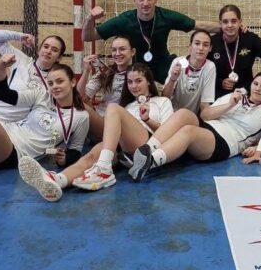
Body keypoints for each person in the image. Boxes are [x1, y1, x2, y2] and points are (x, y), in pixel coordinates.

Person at [18, 63, 173, 199]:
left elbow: (168, 132)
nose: (133, 86)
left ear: (149, 81)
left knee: (113, 108)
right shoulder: (127, 106)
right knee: (90, 157)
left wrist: (147, 120)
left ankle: (104, 168)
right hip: (123, 150)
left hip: (146, 143)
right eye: (130, 82)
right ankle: (57, 180)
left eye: (138, 81)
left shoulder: (162, 101)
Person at [127, 71, 261, 182]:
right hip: (210, 126)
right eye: (256, 84)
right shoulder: (234, 97)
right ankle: (146, 150)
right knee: (183, 113)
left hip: (226, 141)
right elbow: (205, 115)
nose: (258, 88)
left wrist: (258, 149)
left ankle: (149, 162)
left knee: (188, 131)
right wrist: (230, 104)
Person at [81, 0, 217, 84]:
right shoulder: (124, 20)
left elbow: (198, 25)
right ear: (134, 0)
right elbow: (87, 37)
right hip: (133, 66)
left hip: (161, 64)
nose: (145, 3)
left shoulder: (166, 16)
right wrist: (90, 19)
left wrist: (226, 27)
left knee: (181, 79)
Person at [0, 58, 88, 171]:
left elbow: (76, 150)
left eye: (60, 81)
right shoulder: (42, 95)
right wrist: (2, 67)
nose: (54, 86)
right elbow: (4, 95)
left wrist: (64, 160)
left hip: (15, 150)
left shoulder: (81, 116)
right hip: (5, 131)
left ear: (73, 82)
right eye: (50, 83)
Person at [0, 29, 66, 122]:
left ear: (58, 58)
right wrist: (19, 36)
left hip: (13, 127)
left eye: (54, 50)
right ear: (39, 50)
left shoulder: (54, 82)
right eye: (46, 47)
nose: (48, 51)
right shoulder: (21, 60)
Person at [208, 5, 261, 97]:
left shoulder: (250, 39)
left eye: (234, 21)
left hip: (246, 96)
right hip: (219, 97)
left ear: (240, 22)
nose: (230, 25)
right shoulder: (212, 42)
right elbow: (203, 73)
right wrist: (220, 82)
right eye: (225, 22)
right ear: (220, 23)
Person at [77, 36, 136, 141]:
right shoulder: (106, 72)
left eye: (122, 49)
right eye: (114, 50)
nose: (117, 53)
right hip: (101, 120)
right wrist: (86, 71)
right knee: (78, 103)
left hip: (124, 125)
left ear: (132, 52)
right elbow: (79, 97)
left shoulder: (140, 73)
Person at [163, 29, 216, 115]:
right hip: (171, 114)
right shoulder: (178, 62)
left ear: (210, 48)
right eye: (197, 43)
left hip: (192, 116)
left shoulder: (210, 66)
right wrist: (172, 79)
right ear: (190, 46)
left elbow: (205, 105)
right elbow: (165, 98)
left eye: (205, 45)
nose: (201, 48)